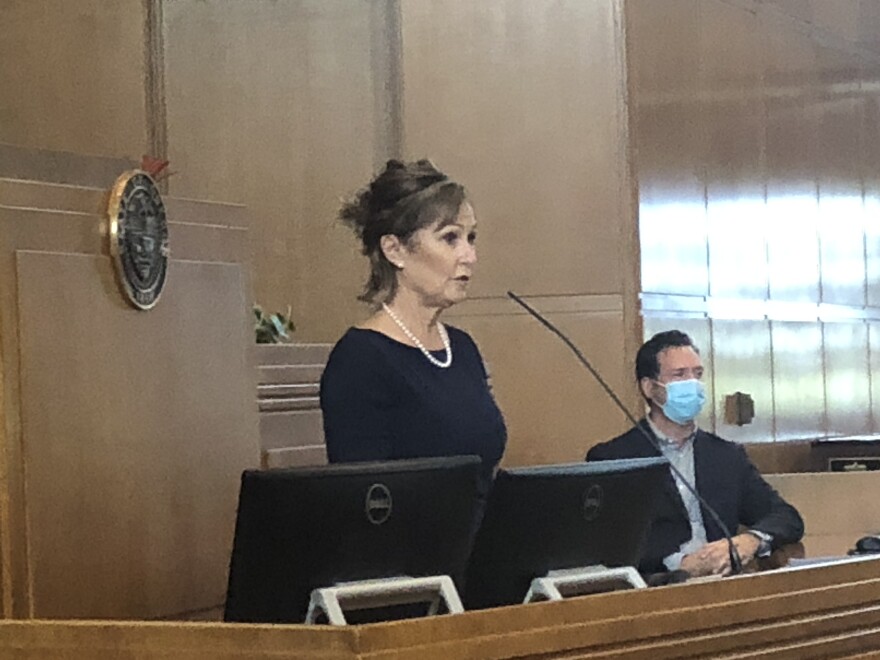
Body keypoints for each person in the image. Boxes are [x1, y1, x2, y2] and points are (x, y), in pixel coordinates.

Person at [320, 159, 507, 499]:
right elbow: (365, 503)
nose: (470, 255)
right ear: (395, 250)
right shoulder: (361, 360)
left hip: (486, 548)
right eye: (450, 238)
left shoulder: (462, 349)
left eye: (471, 237)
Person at [586, 330, 804, 577]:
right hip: (658, 589)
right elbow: (609, 544)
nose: (693, 383)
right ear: (649, 387)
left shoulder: (725, 456)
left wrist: (750, 541)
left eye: (697, 374)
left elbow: (786, 517)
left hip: (725, 583)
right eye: (679, 375)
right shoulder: (612, 459)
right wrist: (680, 563)